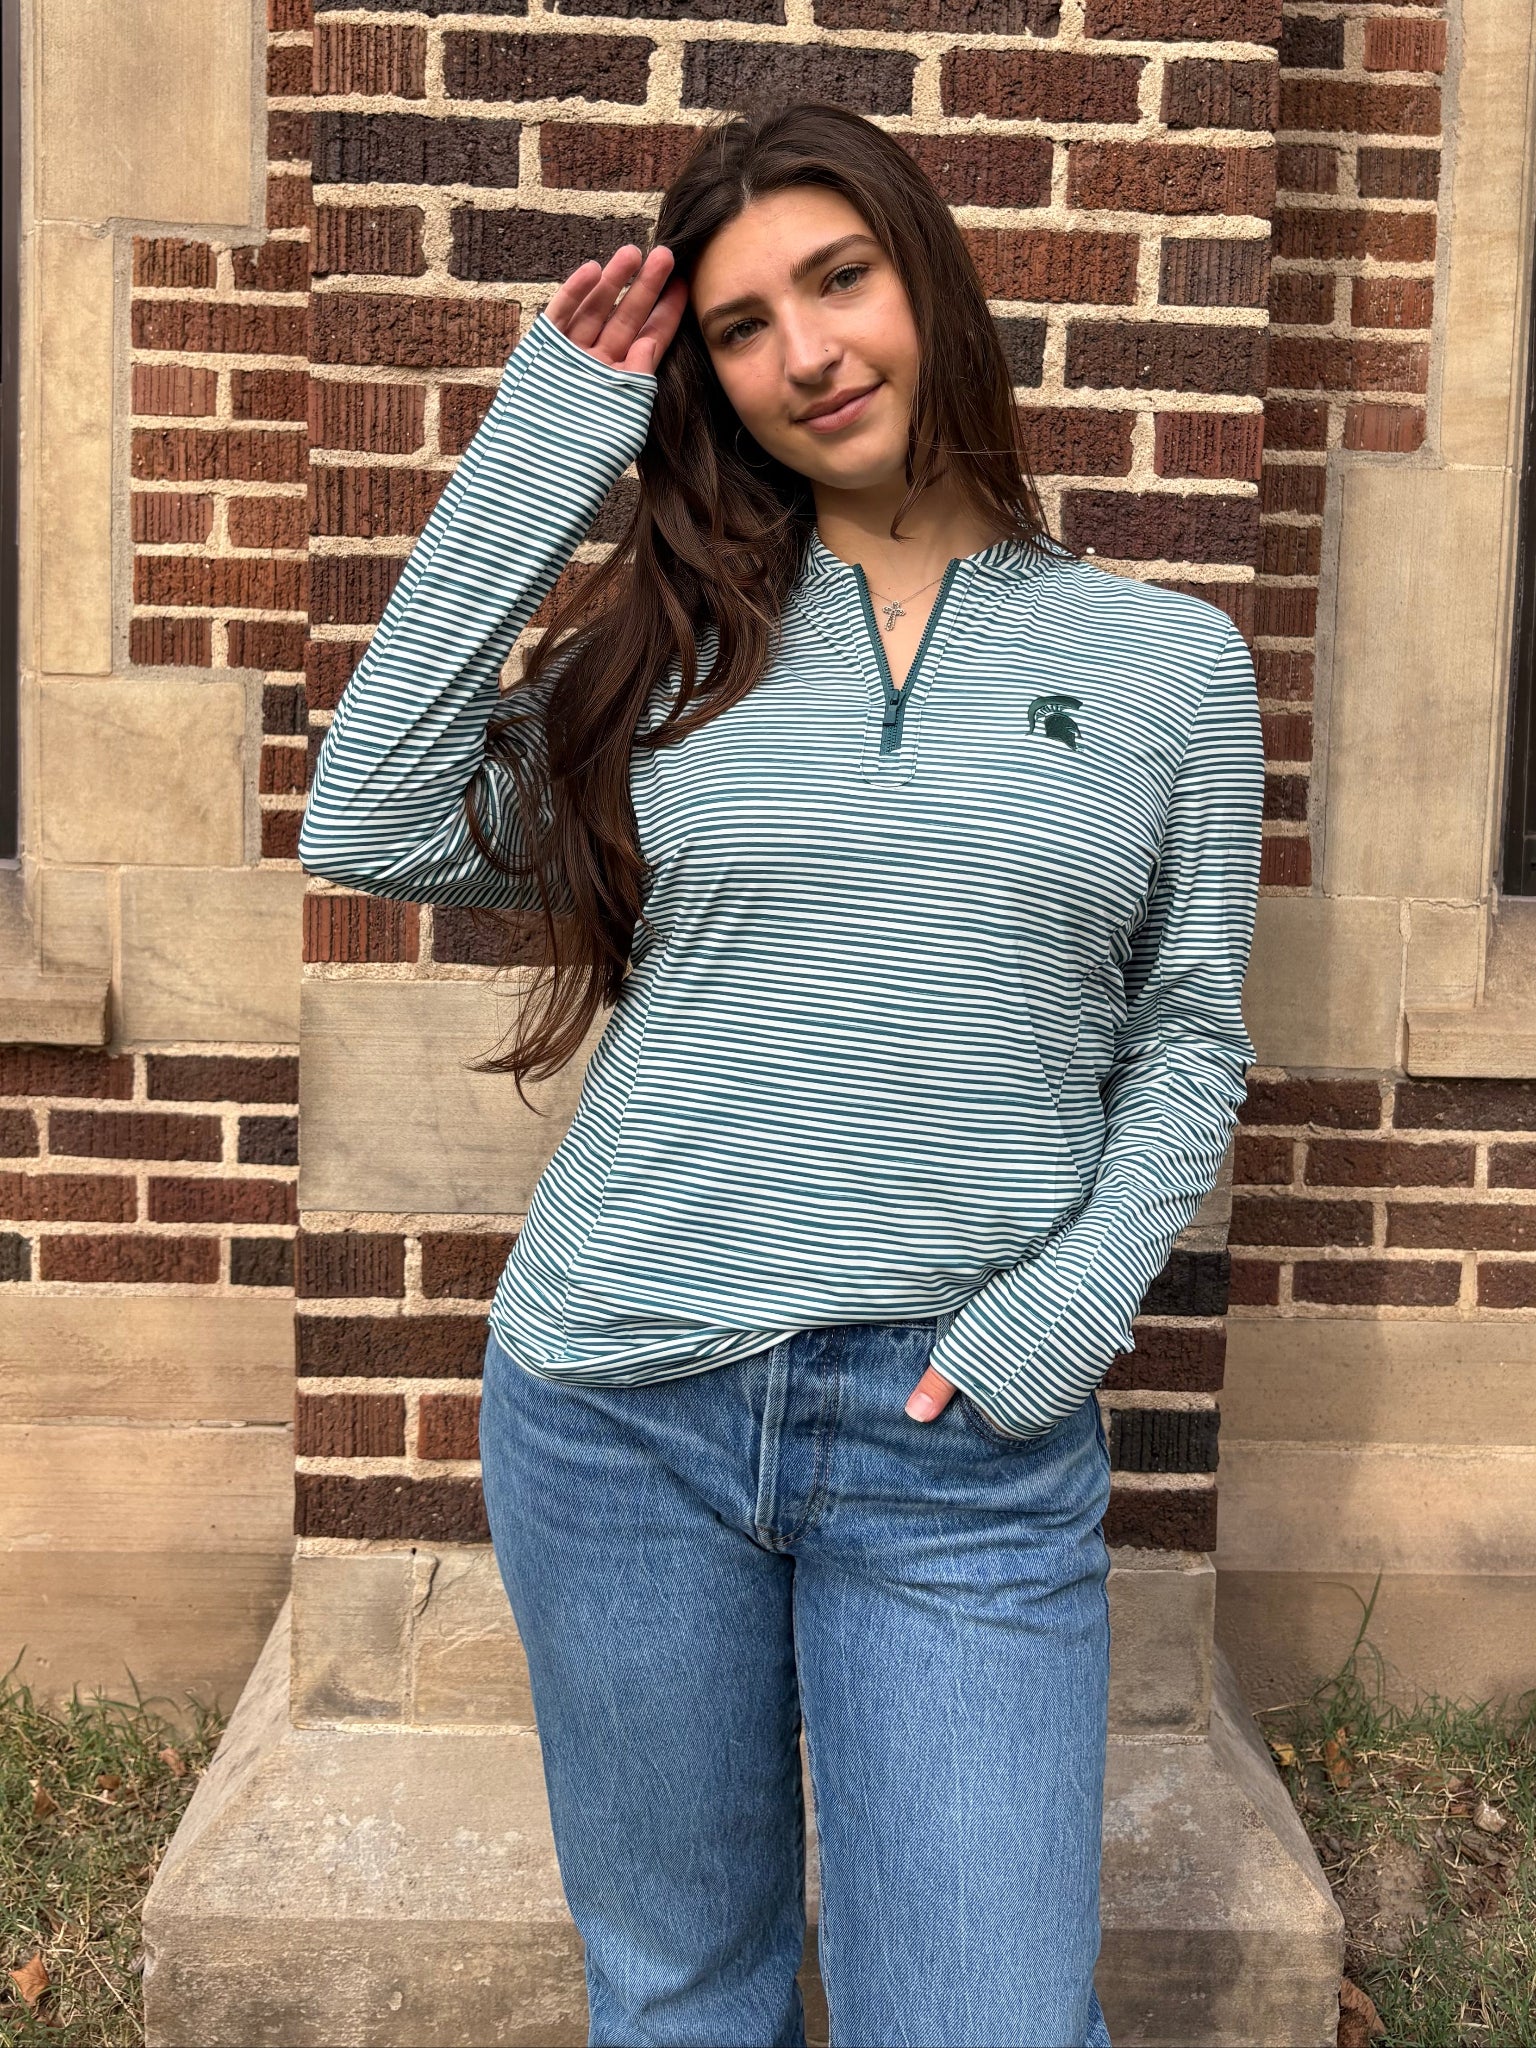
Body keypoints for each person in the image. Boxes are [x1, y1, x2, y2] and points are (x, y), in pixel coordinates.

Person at [297, 99, 1264, 2048]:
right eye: (743, 326)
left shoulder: (1168, 665)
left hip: (957, 1439)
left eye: (841, 280)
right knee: (681, 1999)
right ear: (711, 379)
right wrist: (552, 436)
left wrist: (1064, 1312)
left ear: (931, 283)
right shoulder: (663, 656)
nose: (807, 352)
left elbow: (1187, 1040)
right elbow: (373, 813)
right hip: (618, 1409)